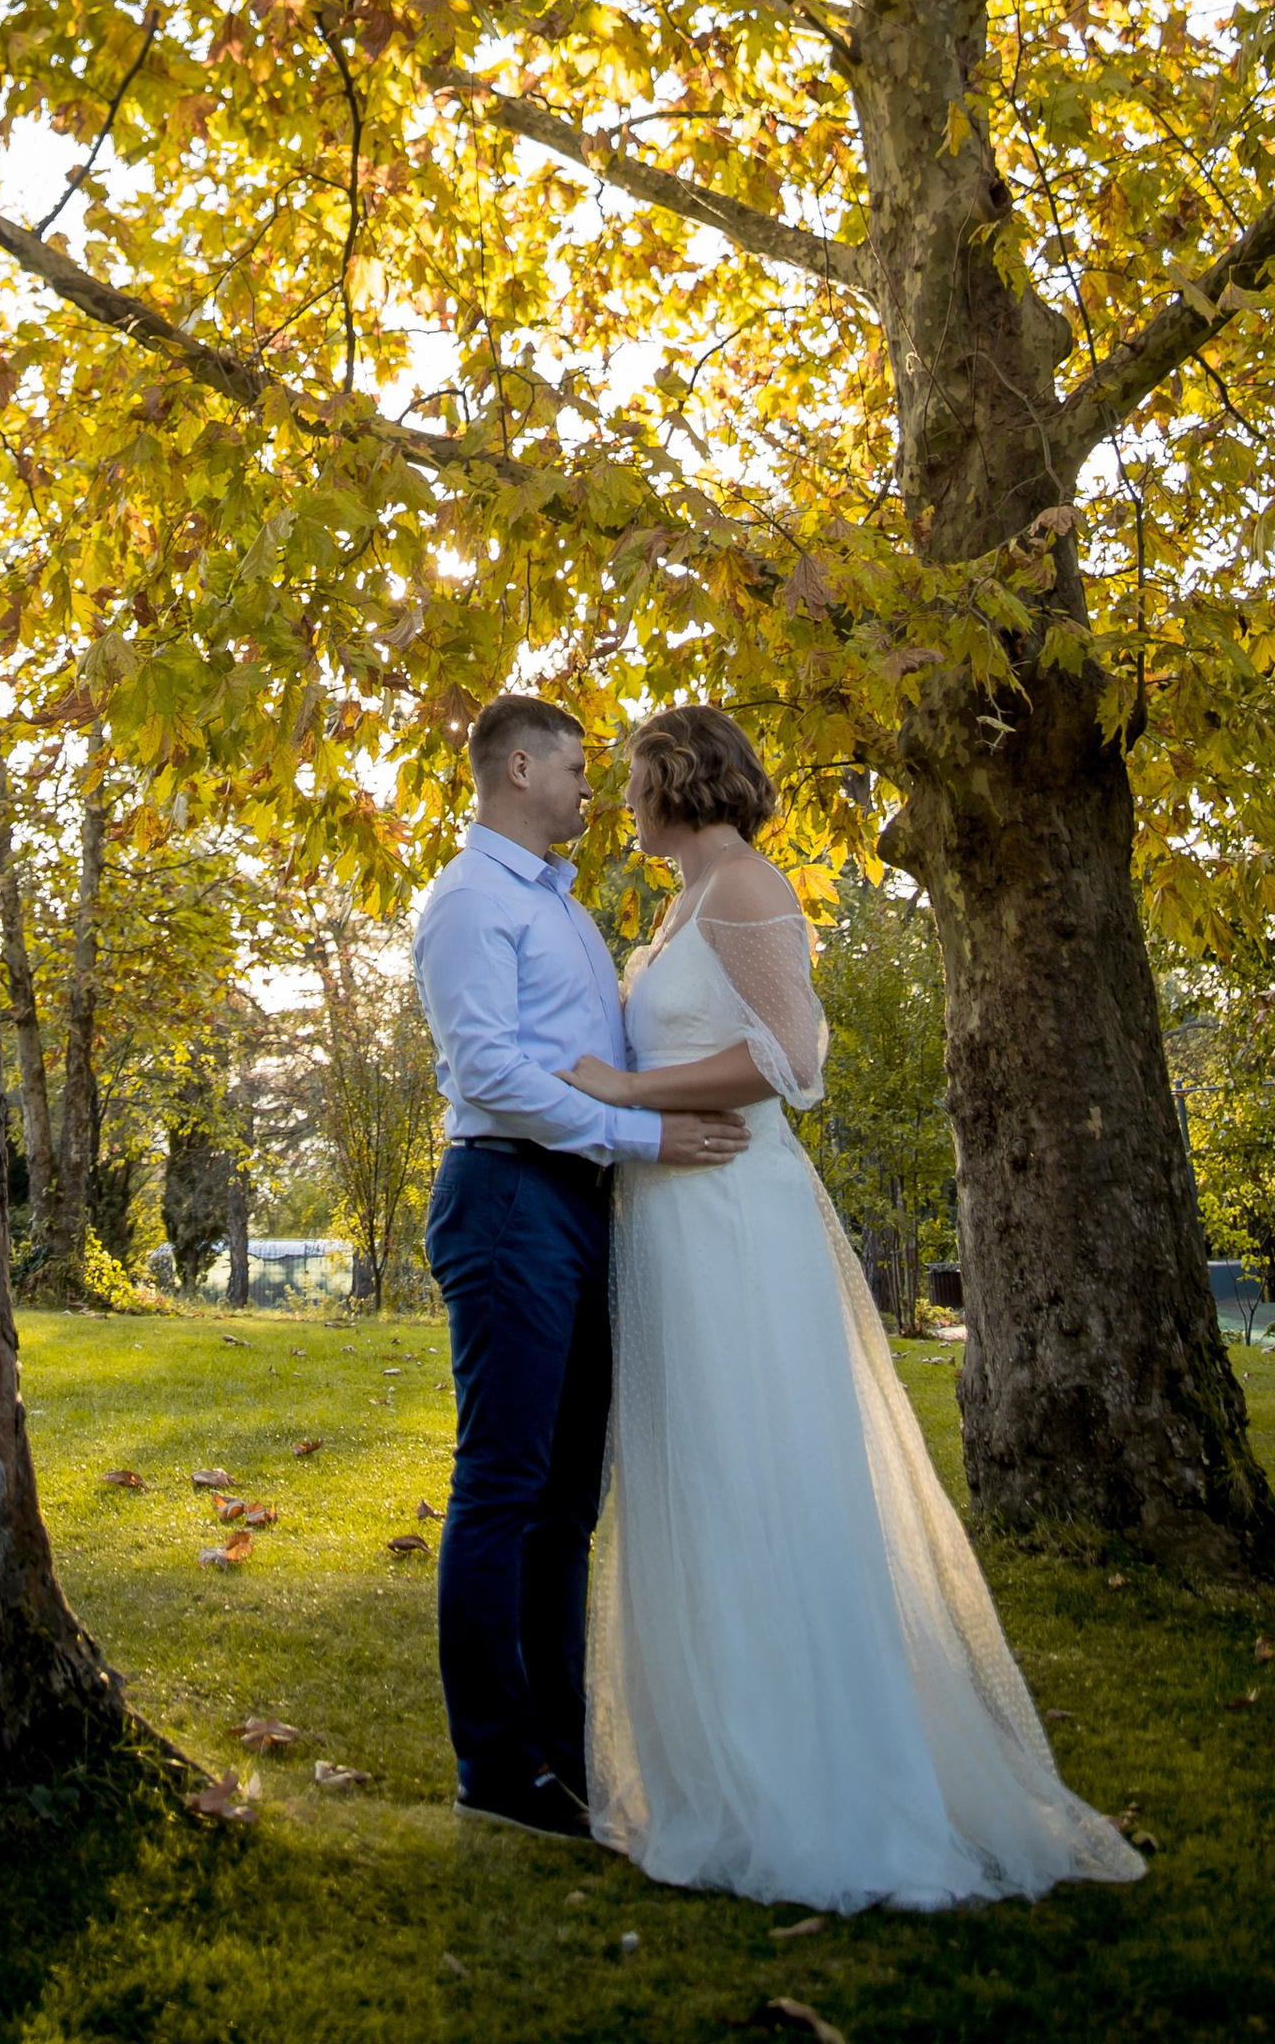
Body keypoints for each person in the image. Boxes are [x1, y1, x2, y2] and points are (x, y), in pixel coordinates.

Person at [564, 702, 1147, 1912]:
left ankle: (820, 1785)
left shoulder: (745, 886)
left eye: (631, 781)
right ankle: (719, 1772)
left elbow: (793, 1058)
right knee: (699, 1478)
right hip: (673, 1221)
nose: (622, 803)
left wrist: (629, 1084)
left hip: (736, 1223)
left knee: (757, 1469)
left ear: (681, 779)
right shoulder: (683, 899)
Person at [410, 693, 748, 1843]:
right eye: (572, 767)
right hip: (507, 1198)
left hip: (577, 1201)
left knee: (565, 1502)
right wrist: (651, 1137)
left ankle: (561, 1753)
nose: (589, 787)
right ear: (516, 769)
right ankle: (495, 1767)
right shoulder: (467, 903)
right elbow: (493, 1077)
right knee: (503, 1487)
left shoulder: (555, 905)